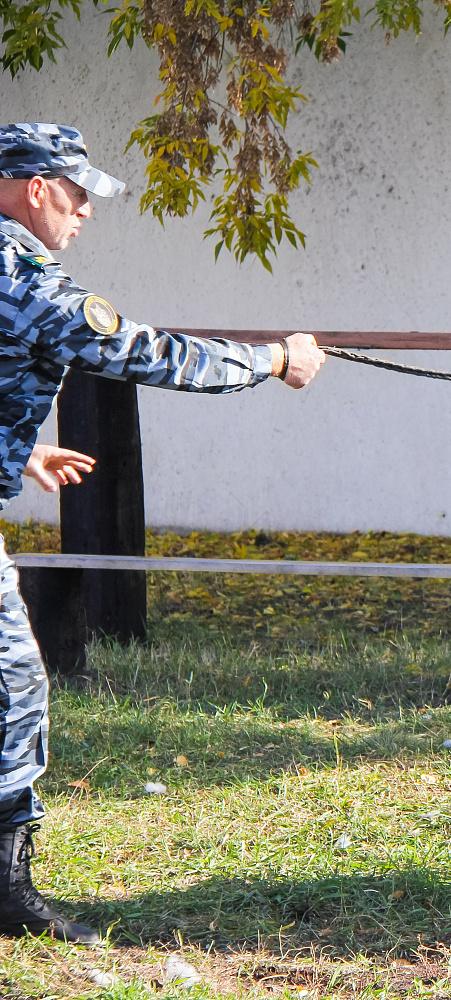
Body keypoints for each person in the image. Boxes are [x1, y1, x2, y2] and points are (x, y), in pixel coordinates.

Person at [0, 122, 326, 942]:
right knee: (15, 687)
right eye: (77, 197)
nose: (84, 216)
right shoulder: (23, 277)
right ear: (36, 188)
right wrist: (272, 360)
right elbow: (147, 354)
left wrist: (15, 449)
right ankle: (4, 893)